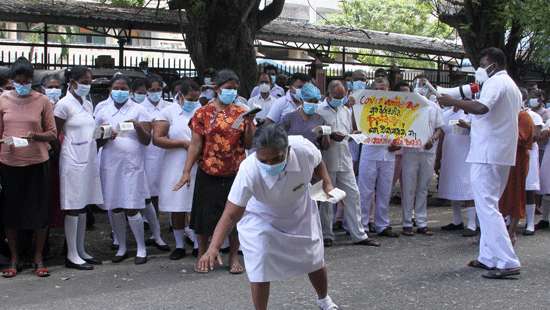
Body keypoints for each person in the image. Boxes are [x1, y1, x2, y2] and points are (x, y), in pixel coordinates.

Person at [196, 125, 340, 310]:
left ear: (288, 150)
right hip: (260, 217)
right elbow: (231, 214)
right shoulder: (249, 169)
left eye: (277, 159)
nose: (271, 165)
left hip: (298, 211)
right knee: (260, 264)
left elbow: (319, 162)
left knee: (313, 258)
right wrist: (213, 248)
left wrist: (327, 184)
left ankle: (324, 299)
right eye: (264, 160)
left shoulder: (303, 149)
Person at [438, 47, 521, 279]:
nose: (480, 69)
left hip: (488, 152)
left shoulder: (496, 83)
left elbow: (482, 108)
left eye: (483, 64)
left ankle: (507, 261)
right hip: (499, 152)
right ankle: (488, 257)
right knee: (488, 204)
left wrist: (454, 100)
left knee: (486, 206)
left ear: (493, 64)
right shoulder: (511, 85)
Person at [174, 69, 255, 274]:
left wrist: (249, 125)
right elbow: (195, 144)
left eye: (235, 89)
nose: (232, 92)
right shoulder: (203, 113)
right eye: (228, 88)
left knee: (235, 216)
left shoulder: (241, 111)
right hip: (208, 170)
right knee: (203, 216)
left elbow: (248, 143)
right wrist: (186, 172)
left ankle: (234, 257)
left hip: (235, 171)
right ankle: (204, 254)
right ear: (217, 89)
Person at [0, 57, 57, 278]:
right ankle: (14, 259)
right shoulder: (3, 100)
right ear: (12, 80)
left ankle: (38, 257)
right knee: (11, 212)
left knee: (39, 212)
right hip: (9, 163)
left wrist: (36, 136)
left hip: (37, 162)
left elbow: (52, 133)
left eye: (26, 81)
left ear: (32, 80)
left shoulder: (42, 100)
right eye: (18, 80)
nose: (22, 84)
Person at [94, 74, 152, 265]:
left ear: (129, 90)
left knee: (132, 206)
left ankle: (141, 248)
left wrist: (137, 127)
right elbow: (96, 140)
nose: (120, 92)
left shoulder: (138, 109)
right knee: (115, 206)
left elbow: (146, 140)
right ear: (110, 90)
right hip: (110, 163)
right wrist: (105, 135)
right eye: (116, 88)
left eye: (124, 88)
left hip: (131, 163)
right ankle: (122, 246)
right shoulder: (102, 109)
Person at [317, 80, 379, 247]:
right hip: (327, 159)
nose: (340, 99)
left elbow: (348, 131)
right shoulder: (319, 110)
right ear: (329, 94)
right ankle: (327, 234)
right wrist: (329, 135)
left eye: (342, 96)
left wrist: (354, 133)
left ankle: (359, 234)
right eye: (336, 96)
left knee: (353, 195)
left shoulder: (345, 110)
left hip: (345, 158)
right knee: (327, 198)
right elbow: (316, 133)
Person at [54, 66, 103, 270]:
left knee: (84, 205)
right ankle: (71, 254)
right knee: (73, 206)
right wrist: (67, 153)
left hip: (89, 158)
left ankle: (81, 250)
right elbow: (55, 134)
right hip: (72, 160)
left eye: (89, 82)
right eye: (84, 81)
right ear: (72, 82)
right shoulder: (63, 105)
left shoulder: (88, 104)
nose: (87, 85)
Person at [153, 79, 201, 260]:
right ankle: (179, 245)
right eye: (189, 98)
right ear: (180, 95)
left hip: (198, 164)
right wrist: (181, 143)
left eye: (196, 99)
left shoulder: (202, 111)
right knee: (178, 205)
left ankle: (197, 243)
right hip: (175, 163)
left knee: (196, 205)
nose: (193, 102)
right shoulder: (168, 112)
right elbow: (157, 138)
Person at [400, 75, 444, 236]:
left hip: (428, 151)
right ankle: (406, 222)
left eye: (424, 84)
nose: (421, 87)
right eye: (418, 84)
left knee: (423, 187)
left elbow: (439, 127)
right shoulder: (406, 105)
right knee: (408, 186)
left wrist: (433, 139)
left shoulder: (434, 106)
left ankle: (422, 222)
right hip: (410, 151)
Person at [358, 77, 400, 238]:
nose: (382, 91)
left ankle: (382, 224)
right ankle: (362, 225)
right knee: (366, 190)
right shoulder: (365, 107)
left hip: (388, 154)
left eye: (384, 88)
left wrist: (399, 144)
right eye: (378, 88)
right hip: (370, 152)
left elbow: (403, 129)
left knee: (385, 191)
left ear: (389, 89)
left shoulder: (396, 109)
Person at [437, 104, 477, 237]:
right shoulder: (446, 114)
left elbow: (483, 130)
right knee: (453, 187)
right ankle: (457, 221)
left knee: (467, 188)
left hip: (466, 155)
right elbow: (442, 134)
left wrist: (469, 126)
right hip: (450, 155)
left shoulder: (471, 112)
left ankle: (472, 224)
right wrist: (438, 157)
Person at [140, 76, 170, 251]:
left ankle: (157, 231)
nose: (155, 93)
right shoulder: (139, 108)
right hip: (146, 154)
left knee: (159, 192)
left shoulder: (168, 107)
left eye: (158, 90)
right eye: (151, 90)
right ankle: (148, 226)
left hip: (164, 153)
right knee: (147, 192)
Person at [498, 110, 534, 245]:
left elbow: (520, 138)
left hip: (517, 160)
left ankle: (511, 232)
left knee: (516, 195)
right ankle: (499, 232)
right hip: (503, 159)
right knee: (501, 195)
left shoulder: (523, 116)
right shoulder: (507, 114)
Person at [280, 82, 329, 150]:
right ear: (301, 100)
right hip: (293, 158)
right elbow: (279, 141)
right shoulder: (289, 118)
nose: (312, 104)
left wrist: (325, 133)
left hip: (313, 158)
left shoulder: (320, 120)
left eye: (315, 102)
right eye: (310, 101)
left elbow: (325, 147)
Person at [522, 89, 544, 235]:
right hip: (514, 155)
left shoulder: (534, 116)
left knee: (529, 188)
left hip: (529, 153)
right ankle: (510, 218)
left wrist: (520, 138)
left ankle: (530, 222)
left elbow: (536, 136)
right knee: (513, 187)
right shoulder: (510, 114)